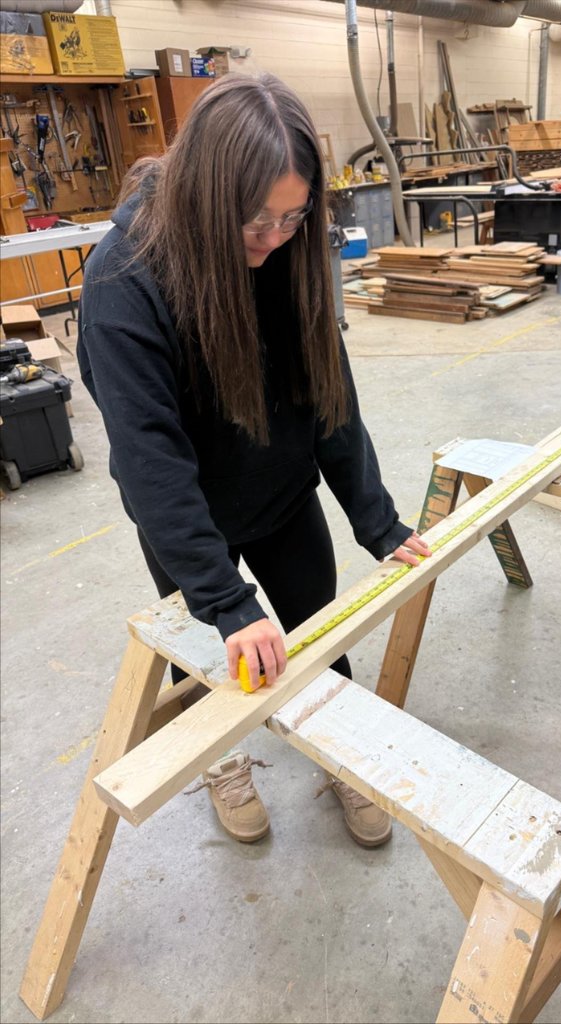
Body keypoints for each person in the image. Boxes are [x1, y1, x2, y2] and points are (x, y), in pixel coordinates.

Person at [77, 71, 431, 849]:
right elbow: (149, 459)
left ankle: (340, 751)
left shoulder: (287, 249)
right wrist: (224, 600)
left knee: (316, 635)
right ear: (206, 198)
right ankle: (222, 760)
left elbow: (326, 387)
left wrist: (374, 518)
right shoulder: (122, 281)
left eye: (293, 217)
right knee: (211, 659)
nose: (274, 241)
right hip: (189, 517)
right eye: (254, 223)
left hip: (280, 494)